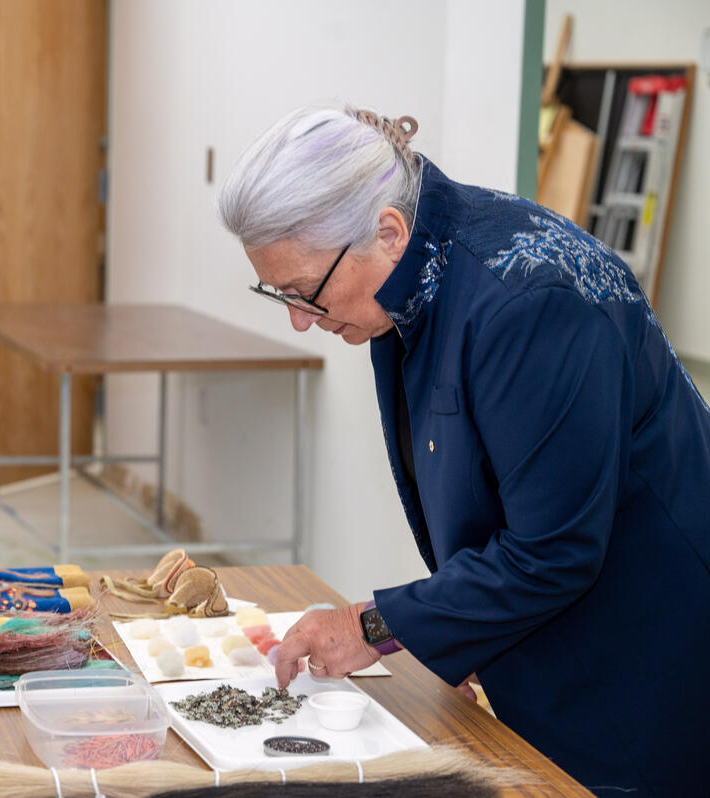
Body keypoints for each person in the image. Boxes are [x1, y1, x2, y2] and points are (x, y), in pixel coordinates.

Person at [218, 105, 710, 796]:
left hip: (645, 633)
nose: (303, 319)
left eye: (306, 294)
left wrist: (377, 625)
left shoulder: (531, 302)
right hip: (553, 618)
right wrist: (457, 623)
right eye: (282, 297)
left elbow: (554, 550)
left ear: (387, 232)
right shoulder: (410, 275)